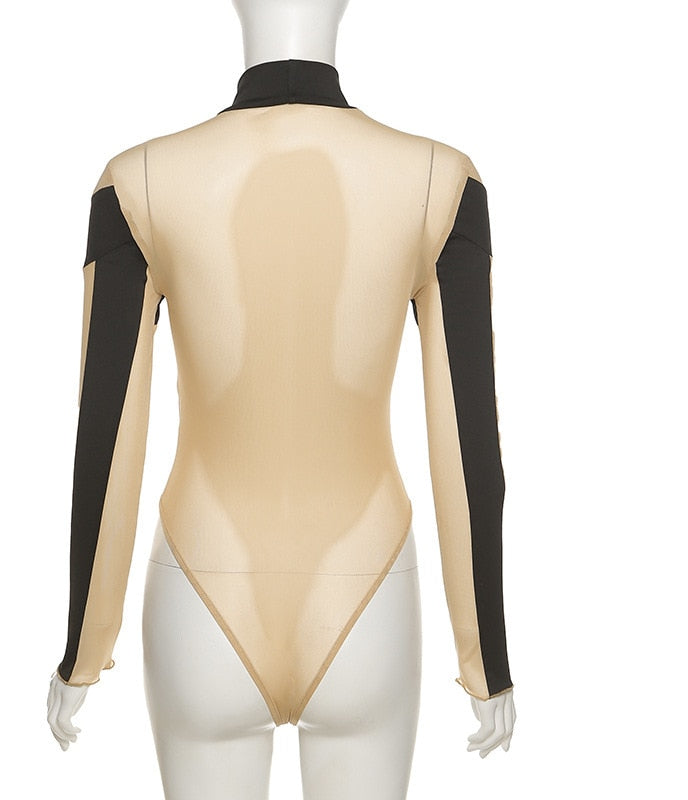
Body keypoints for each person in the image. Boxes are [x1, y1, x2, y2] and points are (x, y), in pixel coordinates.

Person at [47, 0, 517, 795]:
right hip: (369, 595)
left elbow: (106, 439)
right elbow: (468, 445)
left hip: (199, 592)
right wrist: (488, 660)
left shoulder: (138, 181)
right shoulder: (440, 179)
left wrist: (81, 651)